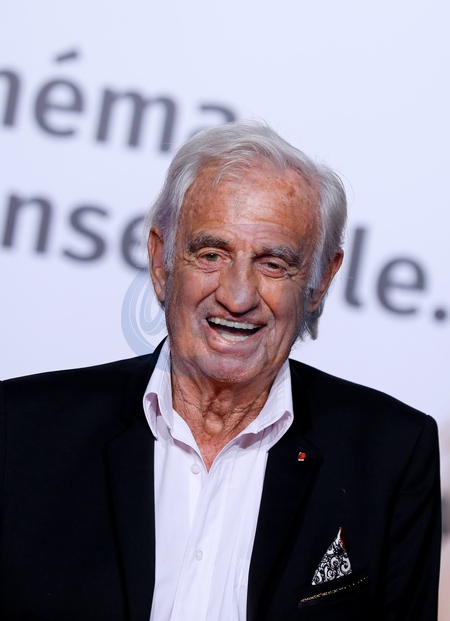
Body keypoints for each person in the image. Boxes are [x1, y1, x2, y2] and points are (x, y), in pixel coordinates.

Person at [0, 122, 441, 621]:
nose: (237, 296)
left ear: (320, 282)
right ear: (162, 262)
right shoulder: (20, 431)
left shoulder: (392, 455)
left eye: (273, 264)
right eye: (212, 255)